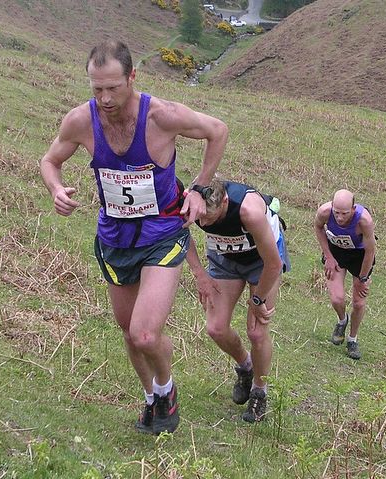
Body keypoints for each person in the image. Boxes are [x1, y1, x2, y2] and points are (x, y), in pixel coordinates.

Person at [39, 40, 228, 434]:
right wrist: (55, 188)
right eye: (97, 89)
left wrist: (198, 189)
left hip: (163, 235)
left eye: (113, 87)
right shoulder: (81, 121)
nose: (105, 99)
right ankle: (152, 397)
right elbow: (50, 160)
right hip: (114, 239)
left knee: (145, 333)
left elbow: (218, 131)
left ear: (132, 77)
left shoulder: (162, 116)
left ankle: (167, 390)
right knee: (129, 332)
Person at [185, 178, 290, 422]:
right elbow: (178, 231)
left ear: (224, 201)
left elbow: (273, 264)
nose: (203, 223)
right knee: (216, 328)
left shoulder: (248, 211)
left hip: (262, 261)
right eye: (201, 217)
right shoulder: (193, 201)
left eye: (209, 218)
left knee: (257, 331)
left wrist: (258, 300)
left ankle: (259, 392)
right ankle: (246, 367)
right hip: (224, 258)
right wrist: (200, 274)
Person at [314, 189, 376, 360]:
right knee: (337, 299)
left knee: (358, 302)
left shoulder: (364, 221)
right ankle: (342, 320)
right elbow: (318, 227)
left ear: (353, 209)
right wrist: (328, 256)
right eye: (337, 212)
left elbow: (370, 251)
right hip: (336, 253)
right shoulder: (324, 211)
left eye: (345, 213)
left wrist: (362, 278)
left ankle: (352, 340)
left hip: (360, 256)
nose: (340, 218)